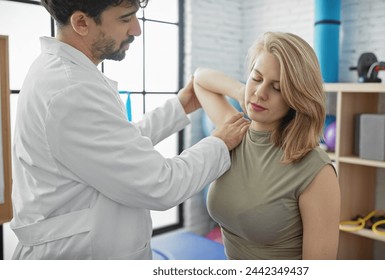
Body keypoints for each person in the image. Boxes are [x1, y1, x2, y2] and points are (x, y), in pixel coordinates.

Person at [10, 0, 250, 260]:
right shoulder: (71, 90)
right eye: (125, 19)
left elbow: (115, 146)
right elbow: (162, 185)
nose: (136, 30)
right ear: (81, 23)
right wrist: (219, 142)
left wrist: (179, 107)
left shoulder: (63, 74)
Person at [193, 31, 341, 260]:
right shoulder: (233, 131)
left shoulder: (316, 171)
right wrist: (242, 92)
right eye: (257, 77)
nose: (261, 93)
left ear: (296, 97)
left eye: (278, 87)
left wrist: (252, 88)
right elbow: (200, 79)